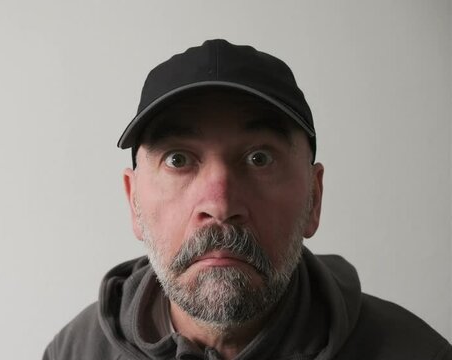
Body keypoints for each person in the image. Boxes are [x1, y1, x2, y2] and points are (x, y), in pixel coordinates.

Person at [43, 39, 452, 360]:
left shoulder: (417, 353)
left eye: (259, 158)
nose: (220, 205)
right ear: (134, 202)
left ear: (314, 198)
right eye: (178, 159)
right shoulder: (73, 352)